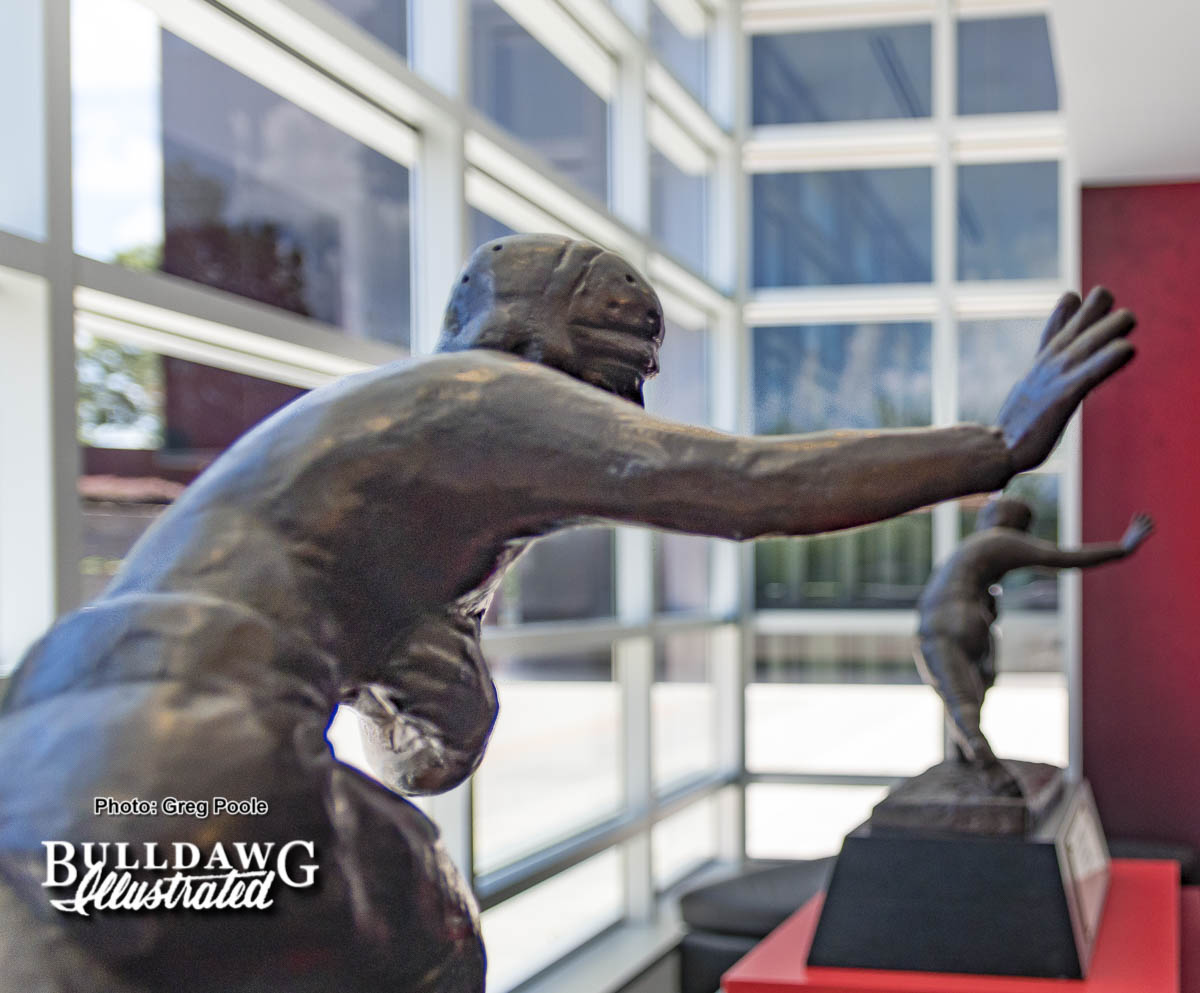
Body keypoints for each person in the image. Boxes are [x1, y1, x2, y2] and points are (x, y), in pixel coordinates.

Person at [0, 234, 1138, 992]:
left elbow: (425, 751)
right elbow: (744, 485)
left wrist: (456, 699)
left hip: (77, 760)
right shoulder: (469, 398)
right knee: (433, 941)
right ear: (532, 337)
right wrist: (991, 448)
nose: (628, 405)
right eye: (623, 356)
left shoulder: (385, 482)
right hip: (192, 758)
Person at [916, 498, 1154, 797]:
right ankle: (969, 755)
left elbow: (1059, 557)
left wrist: (1123, 548)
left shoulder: (979, 545)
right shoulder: (995, 542)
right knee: (970, 692)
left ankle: (983, 762)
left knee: (959, 695)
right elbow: (1061, 557)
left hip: (940, 623)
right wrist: (1121, 548)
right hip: (962, 622)